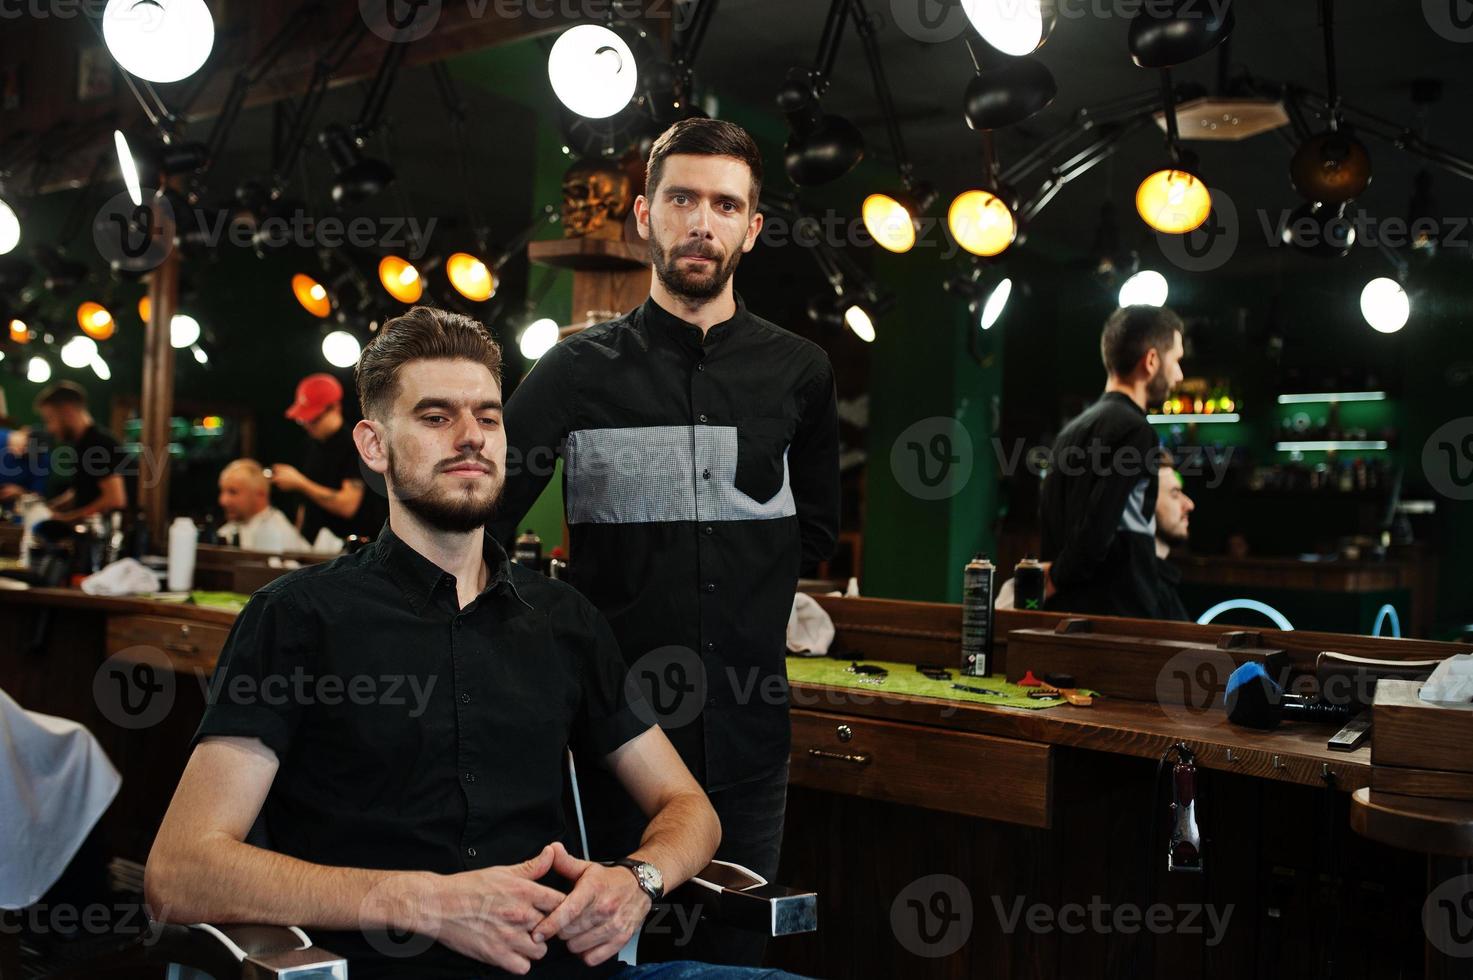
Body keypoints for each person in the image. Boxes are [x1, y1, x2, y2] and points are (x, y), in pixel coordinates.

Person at [145, 307, 804, 980]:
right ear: (374, 446)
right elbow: (181, 870)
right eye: (435, 418)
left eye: (487, 417)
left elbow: (689, 808)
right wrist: (421, 902)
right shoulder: (296, 619)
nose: (470, 437)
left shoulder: (563, 619)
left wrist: (638, 880)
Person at [492, 118, 840, 966]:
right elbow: (484, 514)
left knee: (732, 962)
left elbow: (817, 538)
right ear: (643, 214)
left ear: (751, 230)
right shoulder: (577, 369)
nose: (702, 221)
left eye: (726, 204)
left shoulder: (801, 373)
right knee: (606, 957)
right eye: (681, 197)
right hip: (617, 739)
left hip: (751, 730)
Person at [1038, 305, 1184, 619]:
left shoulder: (1068, 433)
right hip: (1117, 621)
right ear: (1152, 360)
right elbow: (1097, 526)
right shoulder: (1137, 430)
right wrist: (1057, 578)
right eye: (1177, 361)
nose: (1179, 375)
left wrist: (1053, 582)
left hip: (1061, 617)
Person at [270, 373, 387, 546]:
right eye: (304, 420)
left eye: (314, 419)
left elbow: (348, 505)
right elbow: (305, 506)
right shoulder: (310, 445)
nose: (308, 425)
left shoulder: (354, 446)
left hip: (347, 549)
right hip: (310, 548)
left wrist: (299, 483)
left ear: (334, 408)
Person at [33, 381, 127, 522]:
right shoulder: (83, 443)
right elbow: (83, 490)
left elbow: (115, 499)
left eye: (50, 419)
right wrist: (50, 507)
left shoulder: (97, 444)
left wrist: (66, 519)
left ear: (67, 411)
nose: (49, 429)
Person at [216, 458, 311, 553]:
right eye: (222, 491)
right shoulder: (226, 531)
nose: (223, 501)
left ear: (260, 494)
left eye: (233, 492)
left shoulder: (280, 535)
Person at [1152, 451, 1196, 621]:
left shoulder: (1159, 584)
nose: (1189, 505)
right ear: (1143, 500)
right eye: (1174, 493)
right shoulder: (1143, 592)